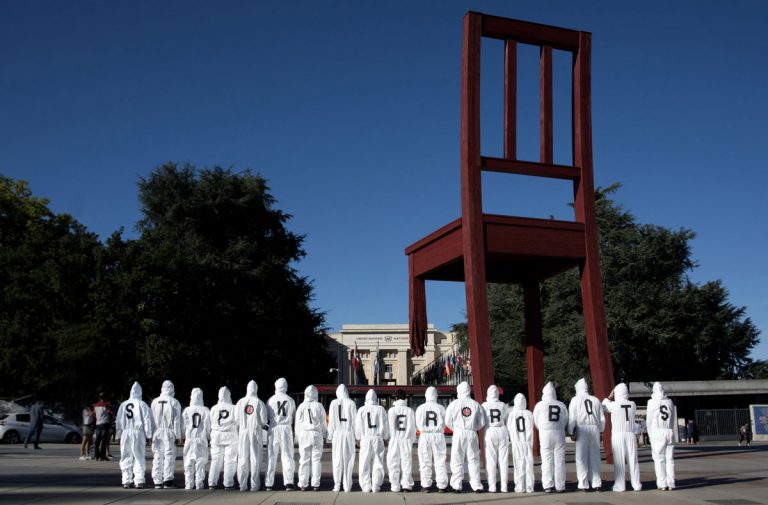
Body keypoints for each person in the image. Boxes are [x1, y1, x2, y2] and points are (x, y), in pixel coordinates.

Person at [445, 381, 487, 493]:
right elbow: (482, 422)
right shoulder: (476, 404)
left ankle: (456, 485)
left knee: (457, 459)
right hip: (472, 433)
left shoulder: (454, 404)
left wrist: (456, 429)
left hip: (459, 432)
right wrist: (473, 428)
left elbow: (447, 420)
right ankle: (476, 485)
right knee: (474, 459)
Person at [567, 378, 605, 492]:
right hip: (595, 428)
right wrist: (601, 430)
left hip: (582, 428)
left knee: (581, 458)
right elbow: (602, 418)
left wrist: (571, 431)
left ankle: (583, 483)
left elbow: (572, 418)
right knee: (595, 457)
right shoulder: (596, 400)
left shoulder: (575, 399)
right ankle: (596, 483)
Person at [602, 383, 642, 492]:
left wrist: (609, 396)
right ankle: (636, 484)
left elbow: (603, 406)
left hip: (618, 434)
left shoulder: (614, 405)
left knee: (619, 460)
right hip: (630, 434)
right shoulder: (632, 404)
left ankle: (620, 485)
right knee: (633, 460)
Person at [116, 382, 154, 489]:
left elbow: (118, 421)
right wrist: (149, 435)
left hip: (125, 432)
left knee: (126, 456)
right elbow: (147, 420)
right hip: (138, 432)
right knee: (138, 456)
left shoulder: (123, 404)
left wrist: (118, 435)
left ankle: (126, 480)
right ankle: (139, 480)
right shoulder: (142, 404)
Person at [533, 382, 568, 493]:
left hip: (545, 433)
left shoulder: (539, 405)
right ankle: (560, 485)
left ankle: (548, 484)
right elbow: (565, 419)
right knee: (559, 460)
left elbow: (536, 420)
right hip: (559, 432)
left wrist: (541, 428)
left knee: (546, 459)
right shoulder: (561, 405)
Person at [235, 380, 268, 492]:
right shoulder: (259, 402)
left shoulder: (240, 402)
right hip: (255, 431)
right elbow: (264, 420)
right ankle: (254, 485)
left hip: (243, 431)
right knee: (255, 458)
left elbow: (236, 419)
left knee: (243, 458)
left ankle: (242, 485)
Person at [414, 385, 448, 493]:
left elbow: (418, 424)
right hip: (438, 435)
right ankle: (442, 485)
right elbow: (445, 423)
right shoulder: (441, 408)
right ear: (436, 395)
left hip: (425, 435)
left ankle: (426, 485)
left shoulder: (420, 408)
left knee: (424, 460)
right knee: (440, 460)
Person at [354, 389, 389, 492]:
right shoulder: (381, 409)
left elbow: (358, 426)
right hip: (378, 438)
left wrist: (358, 438)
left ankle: (366, 486)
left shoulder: (361, 410)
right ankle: (376, 485)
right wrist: (385, 437)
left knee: (364, 462)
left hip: (365, 438)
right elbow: (385, 425)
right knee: (378, 462)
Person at [266, 378, 297, 491]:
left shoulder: (270, 400)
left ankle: (268, 483)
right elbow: (293, 415)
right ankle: (289, 482)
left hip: (274, 427)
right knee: (287, 455)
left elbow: (267, 416)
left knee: (271, 456)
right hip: (286, 428)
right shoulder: (290, 400)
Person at [151, 380, 183, 489]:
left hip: (157, 431)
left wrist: (150, 434)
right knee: (169, 455)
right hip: (169, 431)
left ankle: (157, 481)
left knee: (157, 455)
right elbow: (177, 421)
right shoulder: (174, 402)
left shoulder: (154, 402)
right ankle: (167, 480)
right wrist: (178, 436)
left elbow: (151, 419)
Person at [295, 385, 327, 491]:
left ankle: (303, 483)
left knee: (304, 459)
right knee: (316, 460)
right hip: (316, 433)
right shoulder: (319, 406)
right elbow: (323, 422)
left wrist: (298, 437)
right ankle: (315, 484)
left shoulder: (301, 406)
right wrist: (325, 434)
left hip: (304, 433)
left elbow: (297, 424)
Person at [327, 383, 357, 492]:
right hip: (348, 433)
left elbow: (331, 421)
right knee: (348, 459)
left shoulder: (333, 403)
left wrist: (329, 435)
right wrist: (357, 436)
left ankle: (337, 485)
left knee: (337, 459)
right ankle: (347, 486)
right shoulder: (351, 403)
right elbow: (355, 421)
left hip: (337, 433)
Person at [208, 386, 238, 490]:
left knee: (216, 459)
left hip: (216, 435)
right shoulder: (234, 408)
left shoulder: (214, 408)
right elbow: (238, 421)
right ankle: (228, 483)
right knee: (230, 459)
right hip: (230, 435)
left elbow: (211, 421)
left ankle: (212, 482)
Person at [646, 381, 675, 491]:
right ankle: (671, 483)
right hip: (669, 431)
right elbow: (672, 419)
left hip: (657, 432)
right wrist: (670, 429)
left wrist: (650, 434)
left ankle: (662, 484)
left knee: (659, 459)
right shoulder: (670, 402)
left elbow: (649, 420)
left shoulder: (652, 402)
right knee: (670, 459)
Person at [387, 388, 416, 493]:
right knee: (406, 462)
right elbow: (413, 427)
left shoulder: (391, 411)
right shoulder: (410, 411)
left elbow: (389, 426)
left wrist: (389, 438)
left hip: (395, 439)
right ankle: (406, 485)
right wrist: (411, 440)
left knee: (393, 462)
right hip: (406, 439)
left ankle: (395, 485)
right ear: (405, 398)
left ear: (395, 398)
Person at [182, 387, 211, 490]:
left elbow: (183, 425)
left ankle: (188, 484)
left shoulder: (186, 410)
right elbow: (208, 426)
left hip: (189, 438)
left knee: (188, 462)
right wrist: (208, 436)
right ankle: (199, 483)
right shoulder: (206, 410)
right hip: (201, 438)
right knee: (200, 461)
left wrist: (182, 435)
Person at [482, 384, 509, 493]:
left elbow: (482, 420)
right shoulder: (503, 405)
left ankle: (492, 486)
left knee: (491, 460)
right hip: (502, 429)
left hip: (490, 430)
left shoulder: (484, 405)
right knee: (503, 460)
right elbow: (507, 418)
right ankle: (504, 486)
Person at [507, 393, 534, 493]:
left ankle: (519, 486)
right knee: (529, 465)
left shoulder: (512, 414)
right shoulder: (529, 414)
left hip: (517, 442)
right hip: (527, 442)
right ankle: (529, 487)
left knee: (518, 465)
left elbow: (509, 428)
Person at [93, 394, 113, 460]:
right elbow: (110, 413)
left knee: (97, 441)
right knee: (104, 441)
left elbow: (94, 414)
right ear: (105, 398)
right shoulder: (106, 405)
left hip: (98, 424)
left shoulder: (95, 405)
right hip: (104, 423)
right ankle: (102, 455)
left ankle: (96, 455)